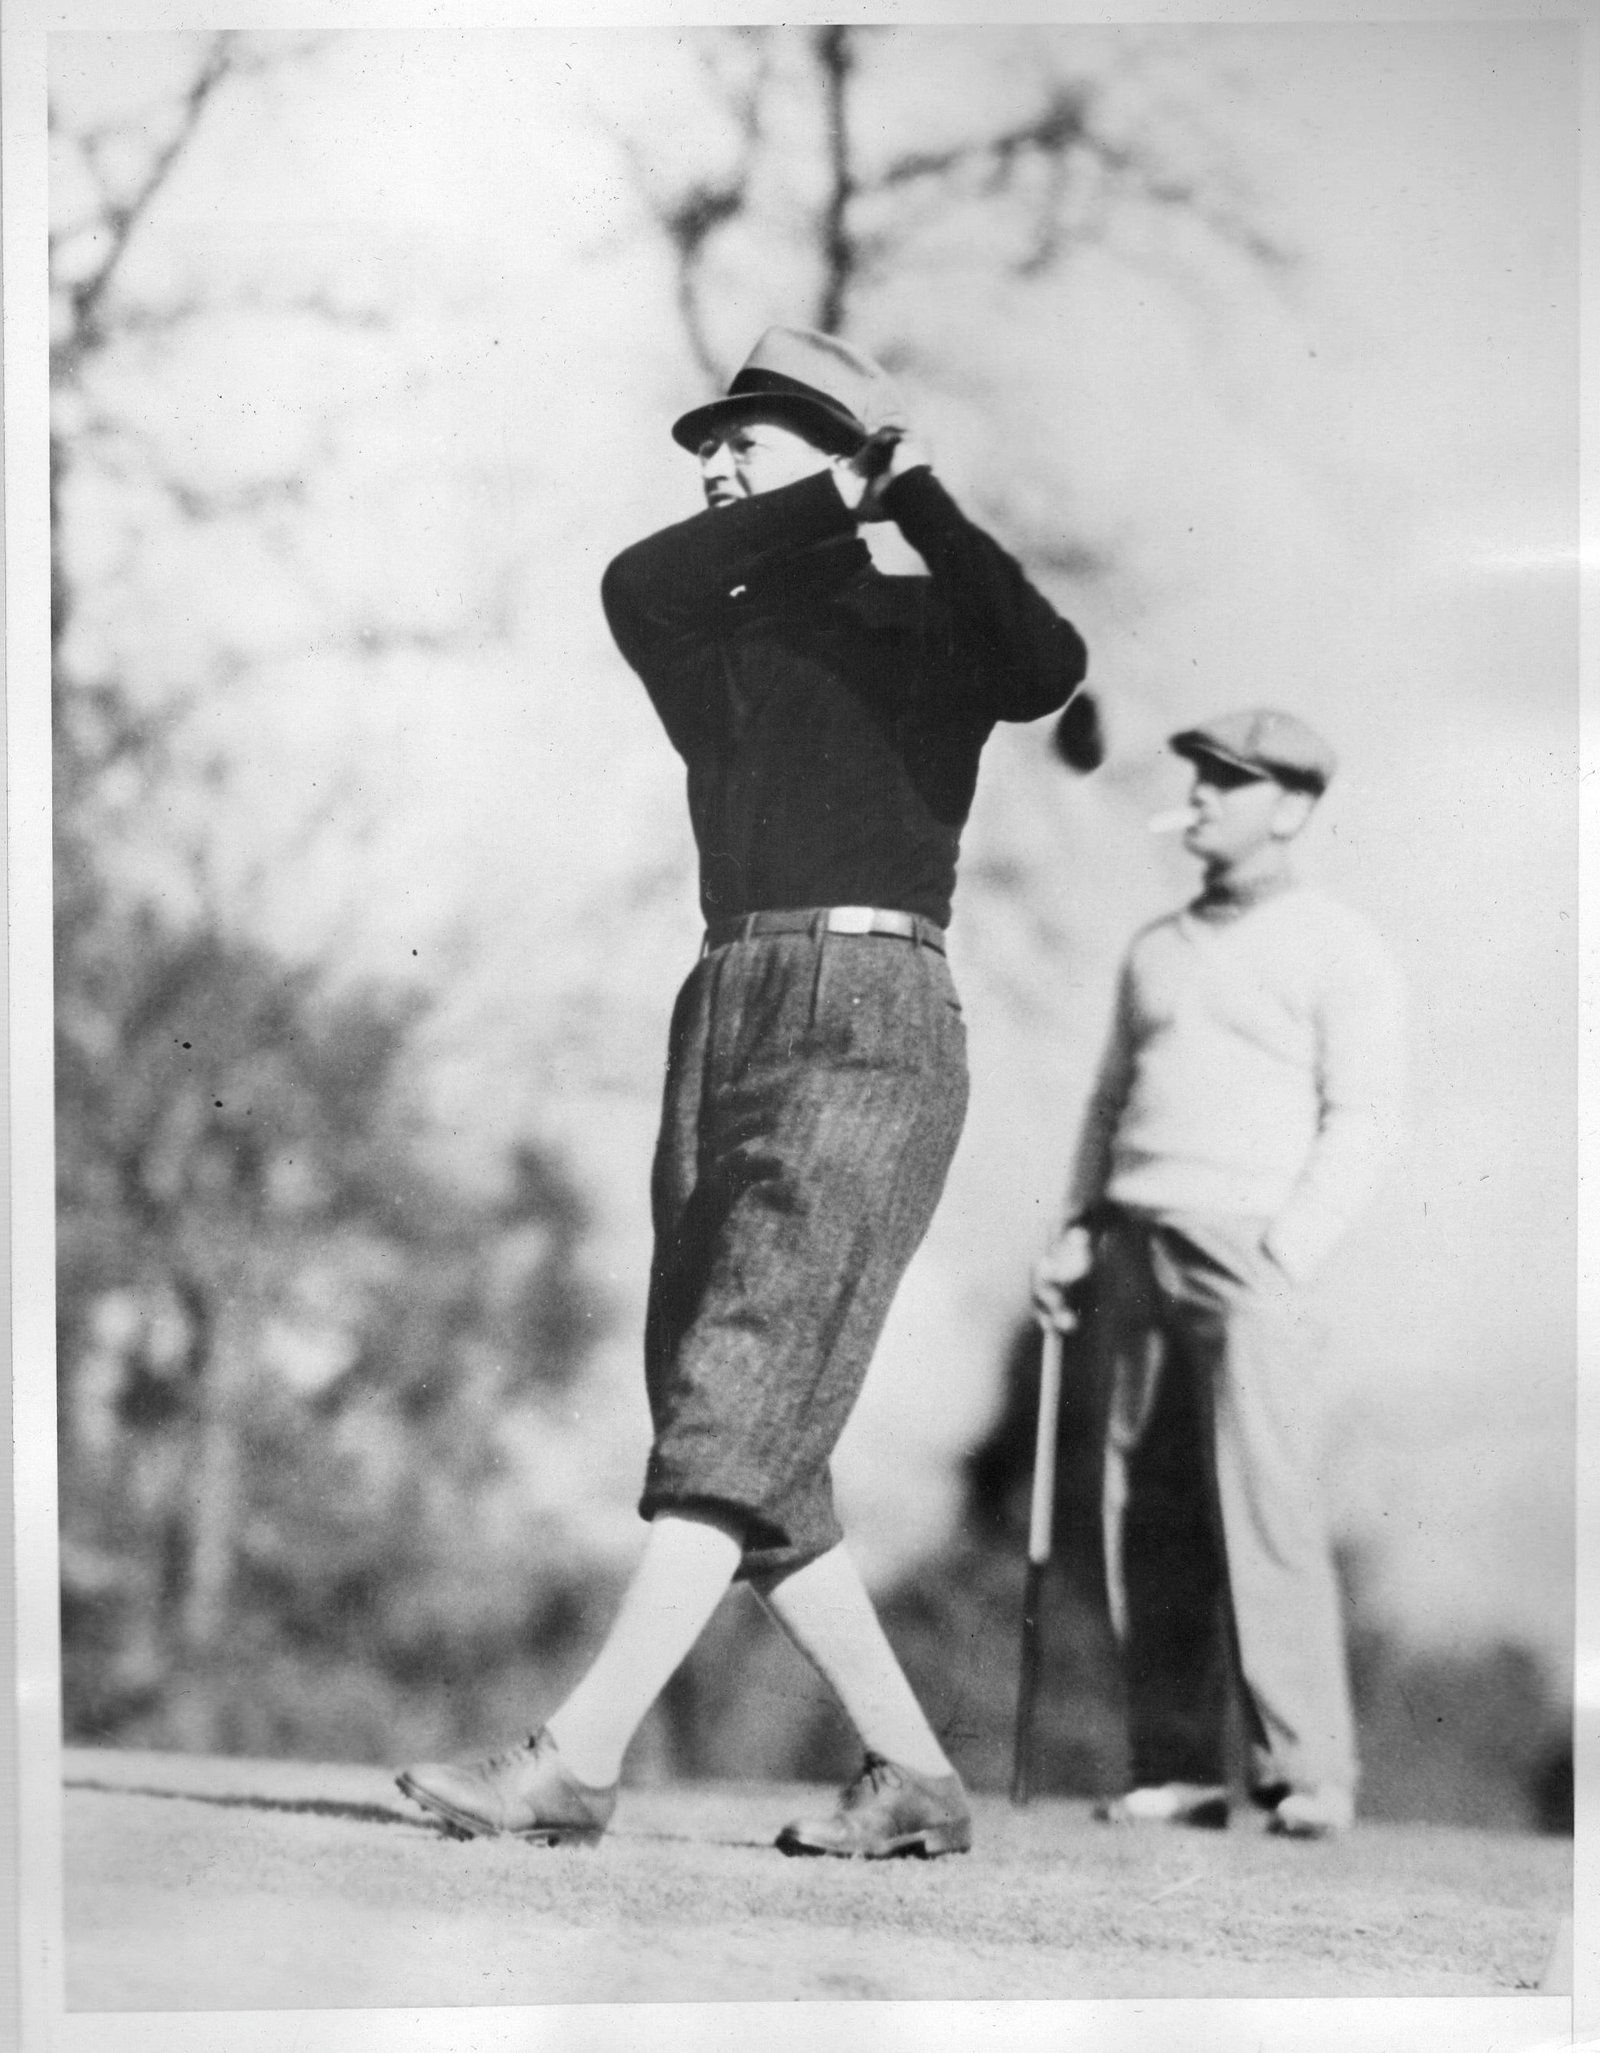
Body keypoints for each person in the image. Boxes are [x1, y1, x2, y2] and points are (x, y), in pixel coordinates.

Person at [398, 325, 1098, 1857]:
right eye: (710, 445)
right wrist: (837, 491)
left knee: (739, 1391)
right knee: (729, 1409)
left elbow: (1048, 669)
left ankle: (575, 1756)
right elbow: (630, 583)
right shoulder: (712, 637)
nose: (715, 466)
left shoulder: (931, 630)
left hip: (873, 1010)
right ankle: (912, 1773)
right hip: (724, 1005)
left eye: (749, 441)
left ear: (842, 446)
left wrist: (909, 503)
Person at [1032, 709, 1404, 1839]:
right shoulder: (1152, 945)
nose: (1196, 798)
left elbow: (1365, 1118)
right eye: (1195, 780)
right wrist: (1076, 1227)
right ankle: (1179, 1763)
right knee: (1144, 1509)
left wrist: (1286, 1251)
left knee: (1267, 1506)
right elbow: (1108, 1101)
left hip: (1252, 1249)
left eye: (1224, 784)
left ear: (1290, 808)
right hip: (1135, 1239)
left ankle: (1307, 1771)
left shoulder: (1337, 943)